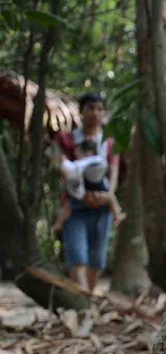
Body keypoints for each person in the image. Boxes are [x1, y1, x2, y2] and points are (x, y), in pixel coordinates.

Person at [53, 94, 120, 293]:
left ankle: (88, 301)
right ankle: (83, 306)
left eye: (100, 109)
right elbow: (62, 167)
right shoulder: (66, 139)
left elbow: (114, 170)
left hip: (102, 207)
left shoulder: (109, 142)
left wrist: (108, 195)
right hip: (75, 207)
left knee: (97, 261)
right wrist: (82, 196)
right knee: (78, 258)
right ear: (81, 112)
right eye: (90, 108)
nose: (95, 113)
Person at [54, 139, 125, 233]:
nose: (77, 157)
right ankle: (117, 214)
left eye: (78, 154)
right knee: (111, 199)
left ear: (88, 153)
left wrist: (64, 161)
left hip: (86, 192)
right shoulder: (100, 160)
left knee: (69, 205)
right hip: (100, 190)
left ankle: (59, 223)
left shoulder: (86, 163)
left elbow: (71, 169)